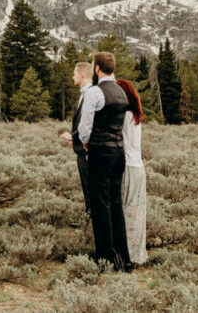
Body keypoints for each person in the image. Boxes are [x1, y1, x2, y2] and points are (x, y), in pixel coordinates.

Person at [78, 51, 132, 271]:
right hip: (119, 153)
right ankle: (123, 258)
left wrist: (86, 145)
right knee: (116, 204)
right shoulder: (121, 91)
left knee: (101, 206)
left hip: (100, 152)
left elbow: (84, 129)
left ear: (97, 68)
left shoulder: (94, 93)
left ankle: (105, 259)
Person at [117, 78, 147, 265]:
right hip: (137, 166)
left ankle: (128, 255)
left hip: (127, 165)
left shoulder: (125, 116)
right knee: (136, 212)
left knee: (126, 210)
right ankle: (136, 254)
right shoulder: (134, 115)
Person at [59, 61, 94, 215]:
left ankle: (91, 222)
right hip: (82, 151)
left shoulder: (90, 95)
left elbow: (88, 125)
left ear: (82, 74)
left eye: (74, 74)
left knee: (91, 190)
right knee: (87, 190)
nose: (72, 77)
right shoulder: (85, 94)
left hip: (87, 153)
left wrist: (74, 137)